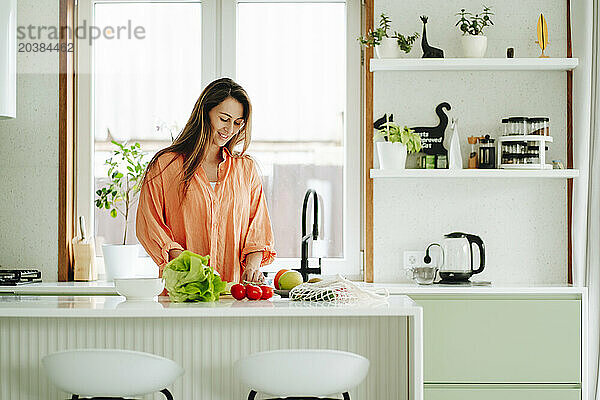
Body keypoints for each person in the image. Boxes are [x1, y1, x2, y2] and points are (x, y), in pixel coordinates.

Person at [136, 78, 276, 283]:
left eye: (238, 122)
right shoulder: (166, 166)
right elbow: (149, 225)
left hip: (233, 295)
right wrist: (190, 268)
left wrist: (253, 268)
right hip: (182, 292)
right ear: (205, 113)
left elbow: (258, 230)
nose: (230, 129)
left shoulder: (245, 169)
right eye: (224, 119)